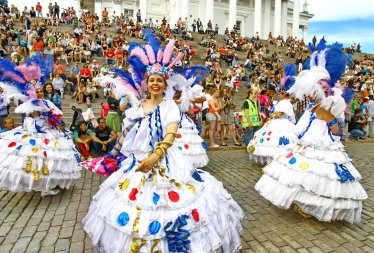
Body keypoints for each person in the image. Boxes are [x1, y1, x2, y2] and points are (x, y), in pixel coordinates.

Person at [81, 31, 243, 252]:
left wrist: (155, 156)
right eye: (152, 81)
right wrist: (111, 156)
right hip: (138, 162)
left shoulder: (169, 107)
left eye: (159, 80)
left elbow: (170, 133)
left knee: (174, 205)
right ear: (146, 84)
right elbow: (127, 133)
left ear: (165, 84)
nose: (155, 84)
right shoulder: (138, 107)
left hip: (166, 161)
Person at [255, 42, 367, 223]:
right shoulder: (310, 106)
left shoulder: (329, 106)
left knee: (320, 179)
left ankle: (316, 208)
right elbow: (301, 126)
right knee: (300, 176)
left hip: (323, 147)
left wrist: (329, 120)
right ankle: (301, 203)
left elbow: (337, 132)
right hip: (306, 145)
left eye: (313, 92)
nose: (310, 95)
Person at [0, 54, 81, 197]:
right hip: (35, 134)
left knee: (53, 159)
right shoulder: (29, 105)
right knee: (37, 160)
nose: (40, 93)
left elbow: (56, 118)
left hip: (49, 132)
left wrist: (57, 123)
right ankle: (40, 184)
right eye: (37, 92)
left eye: (40, 91)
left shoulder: (47, 103)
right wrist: (36, 110)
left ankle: (49, 185)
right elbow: (29, 119)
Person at [247, 64, 298, 164]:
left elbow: (280, 114)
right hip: (275, 122)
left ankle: (280, 159)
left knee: (279, 142)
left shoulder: (286, 103)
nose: (278, 95)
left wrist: (272, 115)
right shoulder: (280, 102)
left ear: (284, 94)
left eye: (279, 93)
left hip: (282, 123)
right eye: (278, 93)